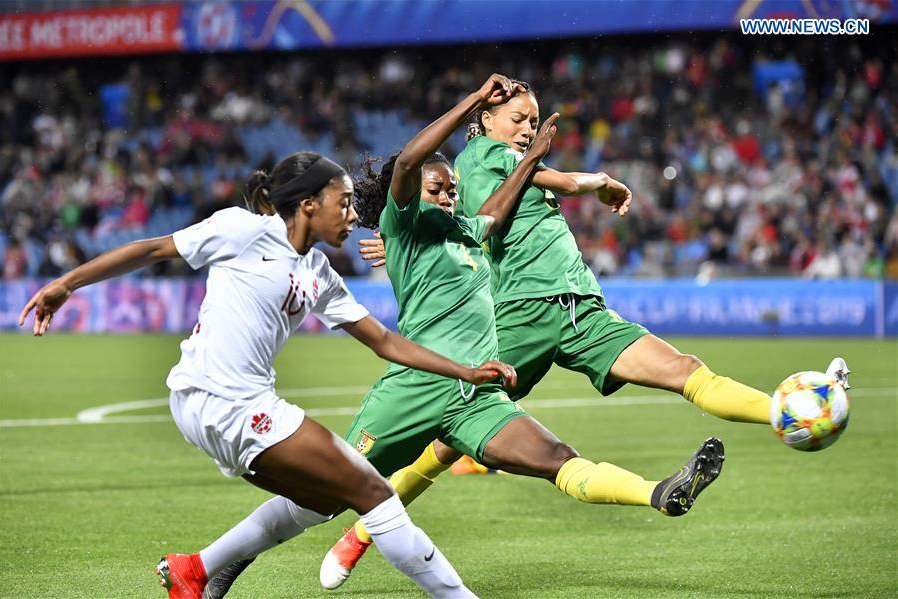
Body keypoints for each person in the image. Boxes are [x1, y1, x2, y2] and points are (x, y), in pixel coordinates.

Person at [309, 79, 853, 590]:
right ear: (484, 118)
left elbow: (481, 211)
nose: (528, 127)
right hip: (517, 317)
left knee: (684, 370)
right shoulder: (478, 157)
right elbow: (528, 190)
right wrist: (594, 182)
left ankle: (788, 409)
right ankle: (359, 531)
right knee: (448, 436)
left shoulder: (505, 164)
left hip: (582, 313)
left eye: (536, 119)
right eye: (519, 118)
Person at [203, 75, 726, 599]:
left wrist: (528, 159)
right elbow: (408, 163)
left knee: (558, 458)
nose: (448, 196)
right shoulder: (402, 226)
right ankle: (227, 560)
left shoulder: (468, 232)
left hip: (473, 397)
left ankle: (658, 493)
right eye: (438, 189)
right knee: (322, 498)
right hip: (410, 394)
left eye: (452, 189)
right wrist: (475, 102)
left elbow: (495, 212)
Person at [19, 151, 522, 599]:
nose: (353, 215)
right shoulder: (242, 230)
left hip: (217, 406)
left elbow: (385, 342)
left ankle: (194, 570)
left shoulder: (320, 272)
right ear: (307, 205)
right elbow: (153, 249)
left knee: (324, 499)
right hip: (226, 401)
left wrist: (466, 371)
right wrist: (67, 283)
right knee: (374, 492)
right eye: (343, 202)